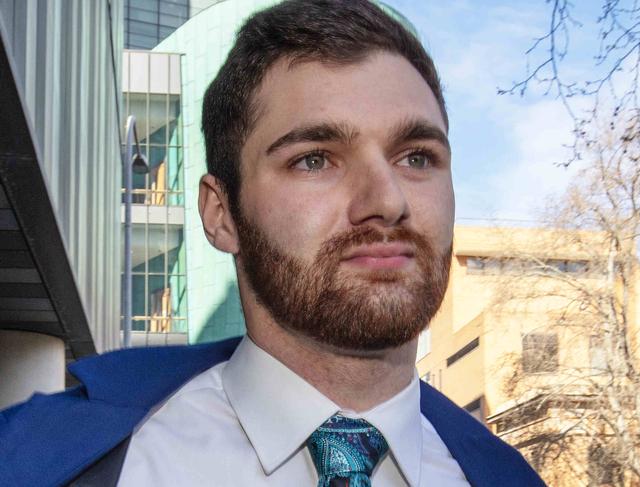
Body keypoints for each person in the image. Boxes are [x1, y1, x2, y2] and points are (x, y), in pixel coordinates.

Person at [0, 1, 546, 486]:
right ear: (221, 214)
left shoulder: (505, 476)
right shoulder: (39, 459)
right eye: (314, 159)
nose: (387, 198)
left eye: (416, 157)